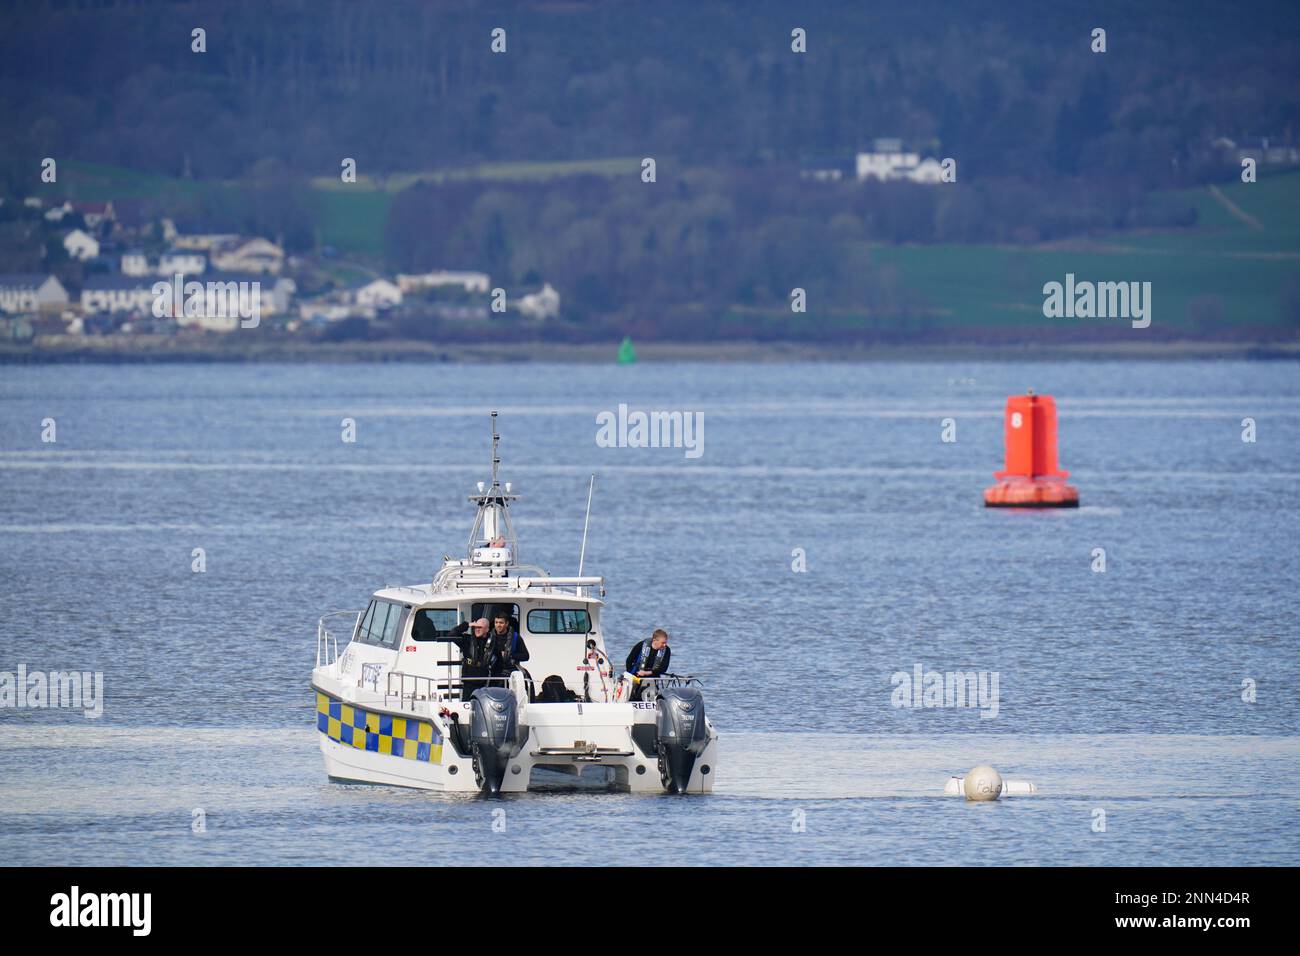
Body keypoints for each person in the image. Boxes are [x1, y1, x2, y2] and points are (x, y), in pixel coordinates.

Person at [443, 617, 493, 700]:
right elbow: (451, 635)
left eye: (480, 627)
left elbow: (499, 661)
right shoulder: (467, 640)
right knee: (467, 705)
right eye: (476, 627)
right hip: (469, 680)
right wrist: (467, 624)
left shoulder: (492, 642)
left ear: (487, 629)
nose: (477, 629)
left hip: (484, 681)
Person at [487, 606, 529, 685]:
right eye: (496, 622)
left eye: (501, 623)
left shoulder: (516, 637)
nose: (498, 625)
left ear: (506, 624)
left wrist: (509, 655)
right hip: (493, 672)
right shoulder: (488, 637)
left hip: (510, 672)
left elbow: (526, 656)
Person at [625, 629, 670, 701]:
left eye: (666, 643)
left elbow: (663, 668)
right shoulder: (641, 646)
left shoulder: (666, 650)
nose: (665, 645)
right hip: (636, 676)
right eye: (663, 643)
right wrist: (631, 676)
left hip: (652, 677)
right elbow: (629, 661)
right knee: (633, 696)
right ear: (655, 640)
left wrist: (647, 673)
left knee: (650, 693)